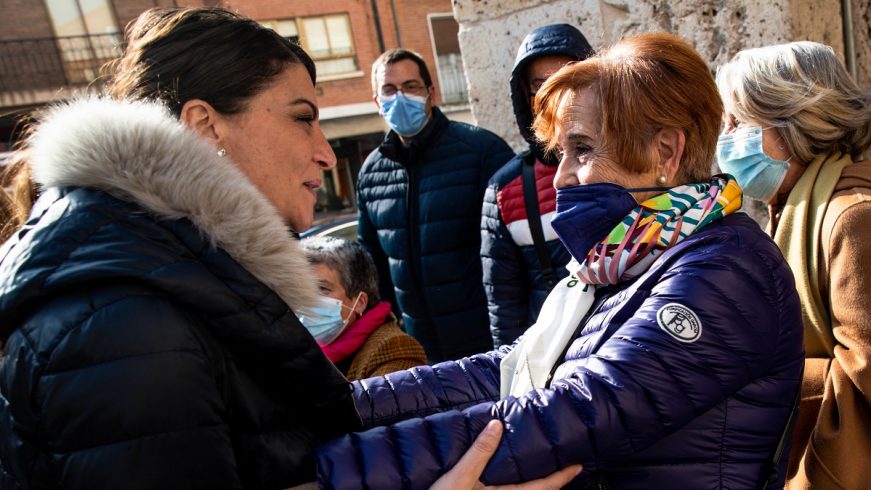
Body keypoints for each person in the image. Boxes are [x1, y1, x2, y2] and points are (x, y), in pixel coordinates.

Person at [316, 32, 804, 489]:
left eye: (582, 150)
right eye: (560, 153)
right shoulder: (620, 258)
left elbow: (581, 408)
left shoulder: (728, 268)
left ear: (666, 152)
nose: (561, 177)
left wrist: (320, 471)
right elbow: (507, 368)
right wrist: (335, 406)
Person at [0, 7, 368, 488]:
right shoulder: (128, 321)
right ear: (205, 124)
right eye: (303, 118)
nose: (326, 152)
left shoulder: (165, 273)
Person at [715, 41, 871, 489]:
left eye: (740, 121)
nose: (727, 137)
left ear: (795, 123)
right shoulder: (791, 207)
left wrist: (754, 375)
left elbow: (862, 381)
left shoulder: (852, 217)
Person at [356, 48, 515, 362]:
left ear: (430, 93)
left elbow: (516, 253)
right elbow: (372, 268)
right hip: (420, 352)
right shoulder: (371, 173)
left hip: (489, 345)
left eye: (411, 87)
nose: (400, 97)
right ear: (377, 102)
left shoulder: (482, 151)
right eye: (389, 90)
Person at [482, 23, 593, 347]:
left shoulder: (631, 161)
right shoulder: (505, 189)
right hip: (556, 355)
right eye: (541, 85)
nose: (554, 94)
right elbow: (504, 304)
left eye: (567, 79)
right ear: (527, 97)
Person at [300, 236, 427, 379]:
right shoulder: (303, 348)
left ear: (359, 302)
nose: (307, 299)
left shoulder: (396, 349)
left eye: (322, 288)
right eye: (303, 288)